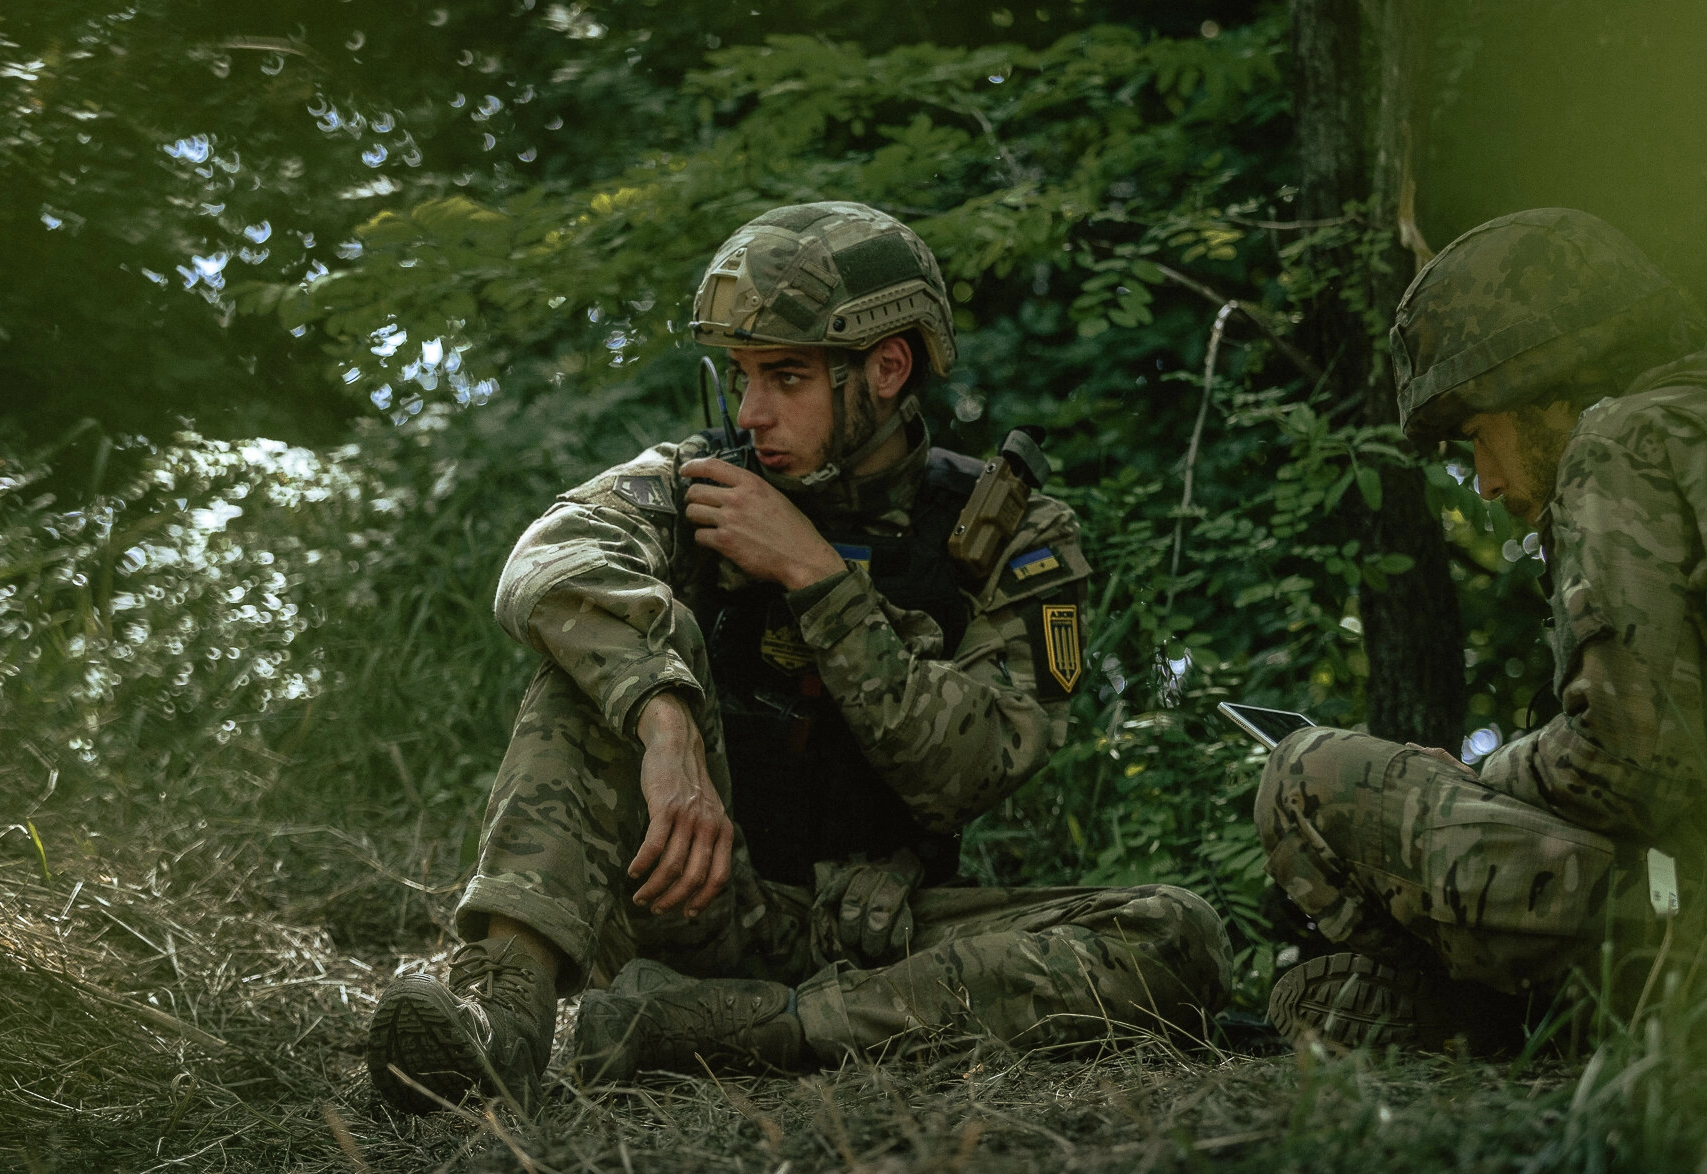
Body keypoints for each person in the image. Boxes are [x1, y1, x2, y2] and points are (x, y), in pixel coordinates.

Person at [364, 201, 1230, 1113]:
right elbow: (547, 562)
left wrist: (816, 577)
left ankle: (751, 1029)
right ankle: (501, 1014)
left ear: (887, 368)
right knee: (597, 666)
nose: (751, 411)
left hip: (887, 939)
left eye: (785, 377)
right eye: (741, 376)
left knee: (1175, 935)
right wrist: (665, 719)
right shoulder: (704, 482)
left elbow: (966, 771)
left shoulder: (1007, 535)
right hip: (695, 897)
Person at [1256, 207, 1707, 1049]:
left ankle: (1489, 1007)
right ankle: (1482, 1012)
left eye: (1475, 438)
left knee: (1309, 774)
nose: (1486, 483)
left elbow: (1625, 770)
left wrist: (1476, 774)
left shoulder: (1621, 439)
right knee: (1326, 996)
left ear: (1538, 383)